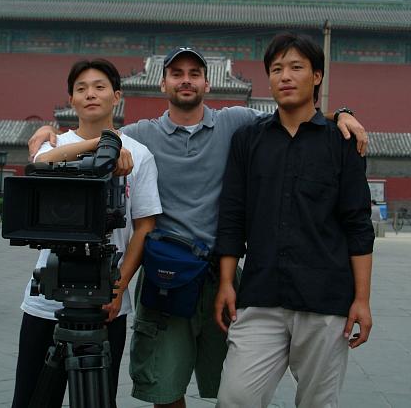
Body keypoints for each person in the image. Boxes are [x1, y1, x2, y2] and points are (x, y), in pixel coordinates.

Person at [29, 45, 368, 408]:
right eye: (177, 74)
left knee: (235, 386)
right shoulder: (142, 133)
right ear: (163, 85)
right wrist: (48, 131)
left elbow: (295, 115)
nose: (185, 81)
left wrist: (340, 116)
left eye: (194, 74)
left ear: (208, 84)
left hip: (217, 274)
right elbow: (95, 130)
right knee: (164, 386)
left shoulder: (234, 122)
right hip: (165, 276)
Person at [214, 33, 374, 408]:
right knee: (235, 398)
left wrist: (362, 300)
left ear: (317, 76)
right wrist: (226, 281)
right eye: (276, 69)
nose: (285, 76)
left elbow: (358, 224)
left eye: (296, 67)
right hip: (260, 296)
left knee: (318, 403)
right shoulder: (247, 140)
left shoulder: (342, 142)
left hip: (325, 299)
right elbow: (232, 215)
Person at [12, 58, 161, 408]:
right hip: (46, 302)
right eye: (81, 89)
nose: (90, 94)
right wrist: (101, 145)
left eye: (99, 87)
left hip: (107, 303)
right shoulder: (54, 146)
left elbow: (145, 228)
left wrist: (118, 288)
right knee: (30, 399)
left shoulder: (140, 156)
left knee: (98, 400)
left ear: (116, 96)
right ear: (71, 99)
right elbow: (38, 164)